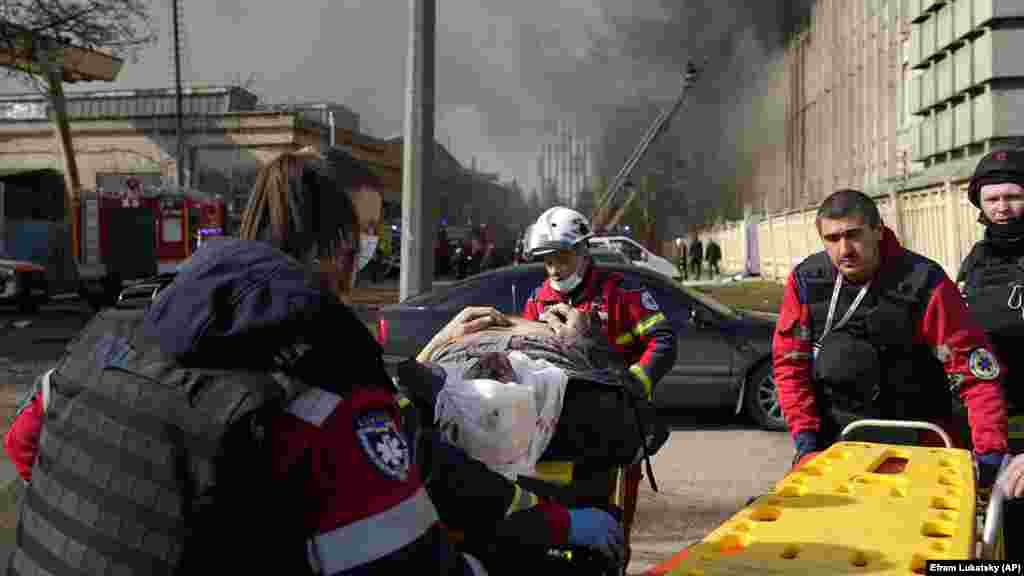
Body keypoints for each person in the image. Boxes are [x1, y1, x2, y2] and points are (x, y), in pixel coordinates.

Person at [3, 148, 485, 575]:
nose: (371, 243)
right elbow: (402, 558)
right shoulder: (325, 386)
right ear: (337, 240)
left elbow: (24, 444)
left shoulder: (115, 333)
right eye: (367, 228)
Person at [772, 188, 1008, 488]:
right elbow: (790, 366)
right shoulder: (806, 281)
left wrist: (989, 453)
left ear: (878, 230)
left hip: (920, 444)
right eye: (832, 239)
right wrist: (806, 443)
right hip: (836, 445)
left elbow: (973, 369)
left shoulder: (923, 281)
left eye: (854, 235)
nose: (844, 249)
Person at [402, 307, 656, 575]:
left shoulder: (421, 408)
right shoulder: (590, 410)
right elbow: (646, 427)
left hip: (470, 350)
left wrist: (437, 343)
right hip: (536, 354)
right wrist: (590, 343)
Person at [520, 205, 678, 567]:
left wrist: (635, 384)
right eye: (548, 261)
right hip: (558, 435)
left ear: (583, 250)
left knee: (612, 528)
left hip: (617, 428)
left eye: (562, 257)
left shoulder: (621, 291)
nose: (556, 269)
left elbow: (663, 340)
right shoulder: (536, 301)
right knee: (560, 528)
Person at [958, 148, 1024, 558]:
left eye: (1014, 197)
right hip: (991, 430)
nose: (1003, 208)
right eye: (993, 199)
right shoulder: (976, 262)